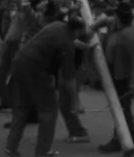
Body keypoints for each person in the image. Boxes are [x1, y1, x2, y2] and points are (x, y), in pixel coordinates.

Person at [5, 14, 97, 157]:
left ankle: (11, 147)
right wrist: (75, 102)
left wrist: (75, 43)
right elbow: (69, 79)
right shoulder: (66, 46)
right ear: (77, 31)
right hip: (37, 70)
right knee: (49, 110)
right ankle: (43, 151)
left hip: (20, 63)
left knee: (22, 108)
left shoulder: (57, 25)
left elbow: (54, 41)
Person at [98, 2, 134, 153]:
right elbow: (105, 20)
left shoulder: (129, 34)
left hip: (122, 76)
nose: (113, 18)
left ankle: (119, 139)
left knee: (121, 108)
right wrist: (92, 28)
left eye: (115, 16)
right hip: (115, 72)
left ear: (119, 17)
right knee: (124, 107)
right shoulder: (117, 25)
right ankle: (133, 137)